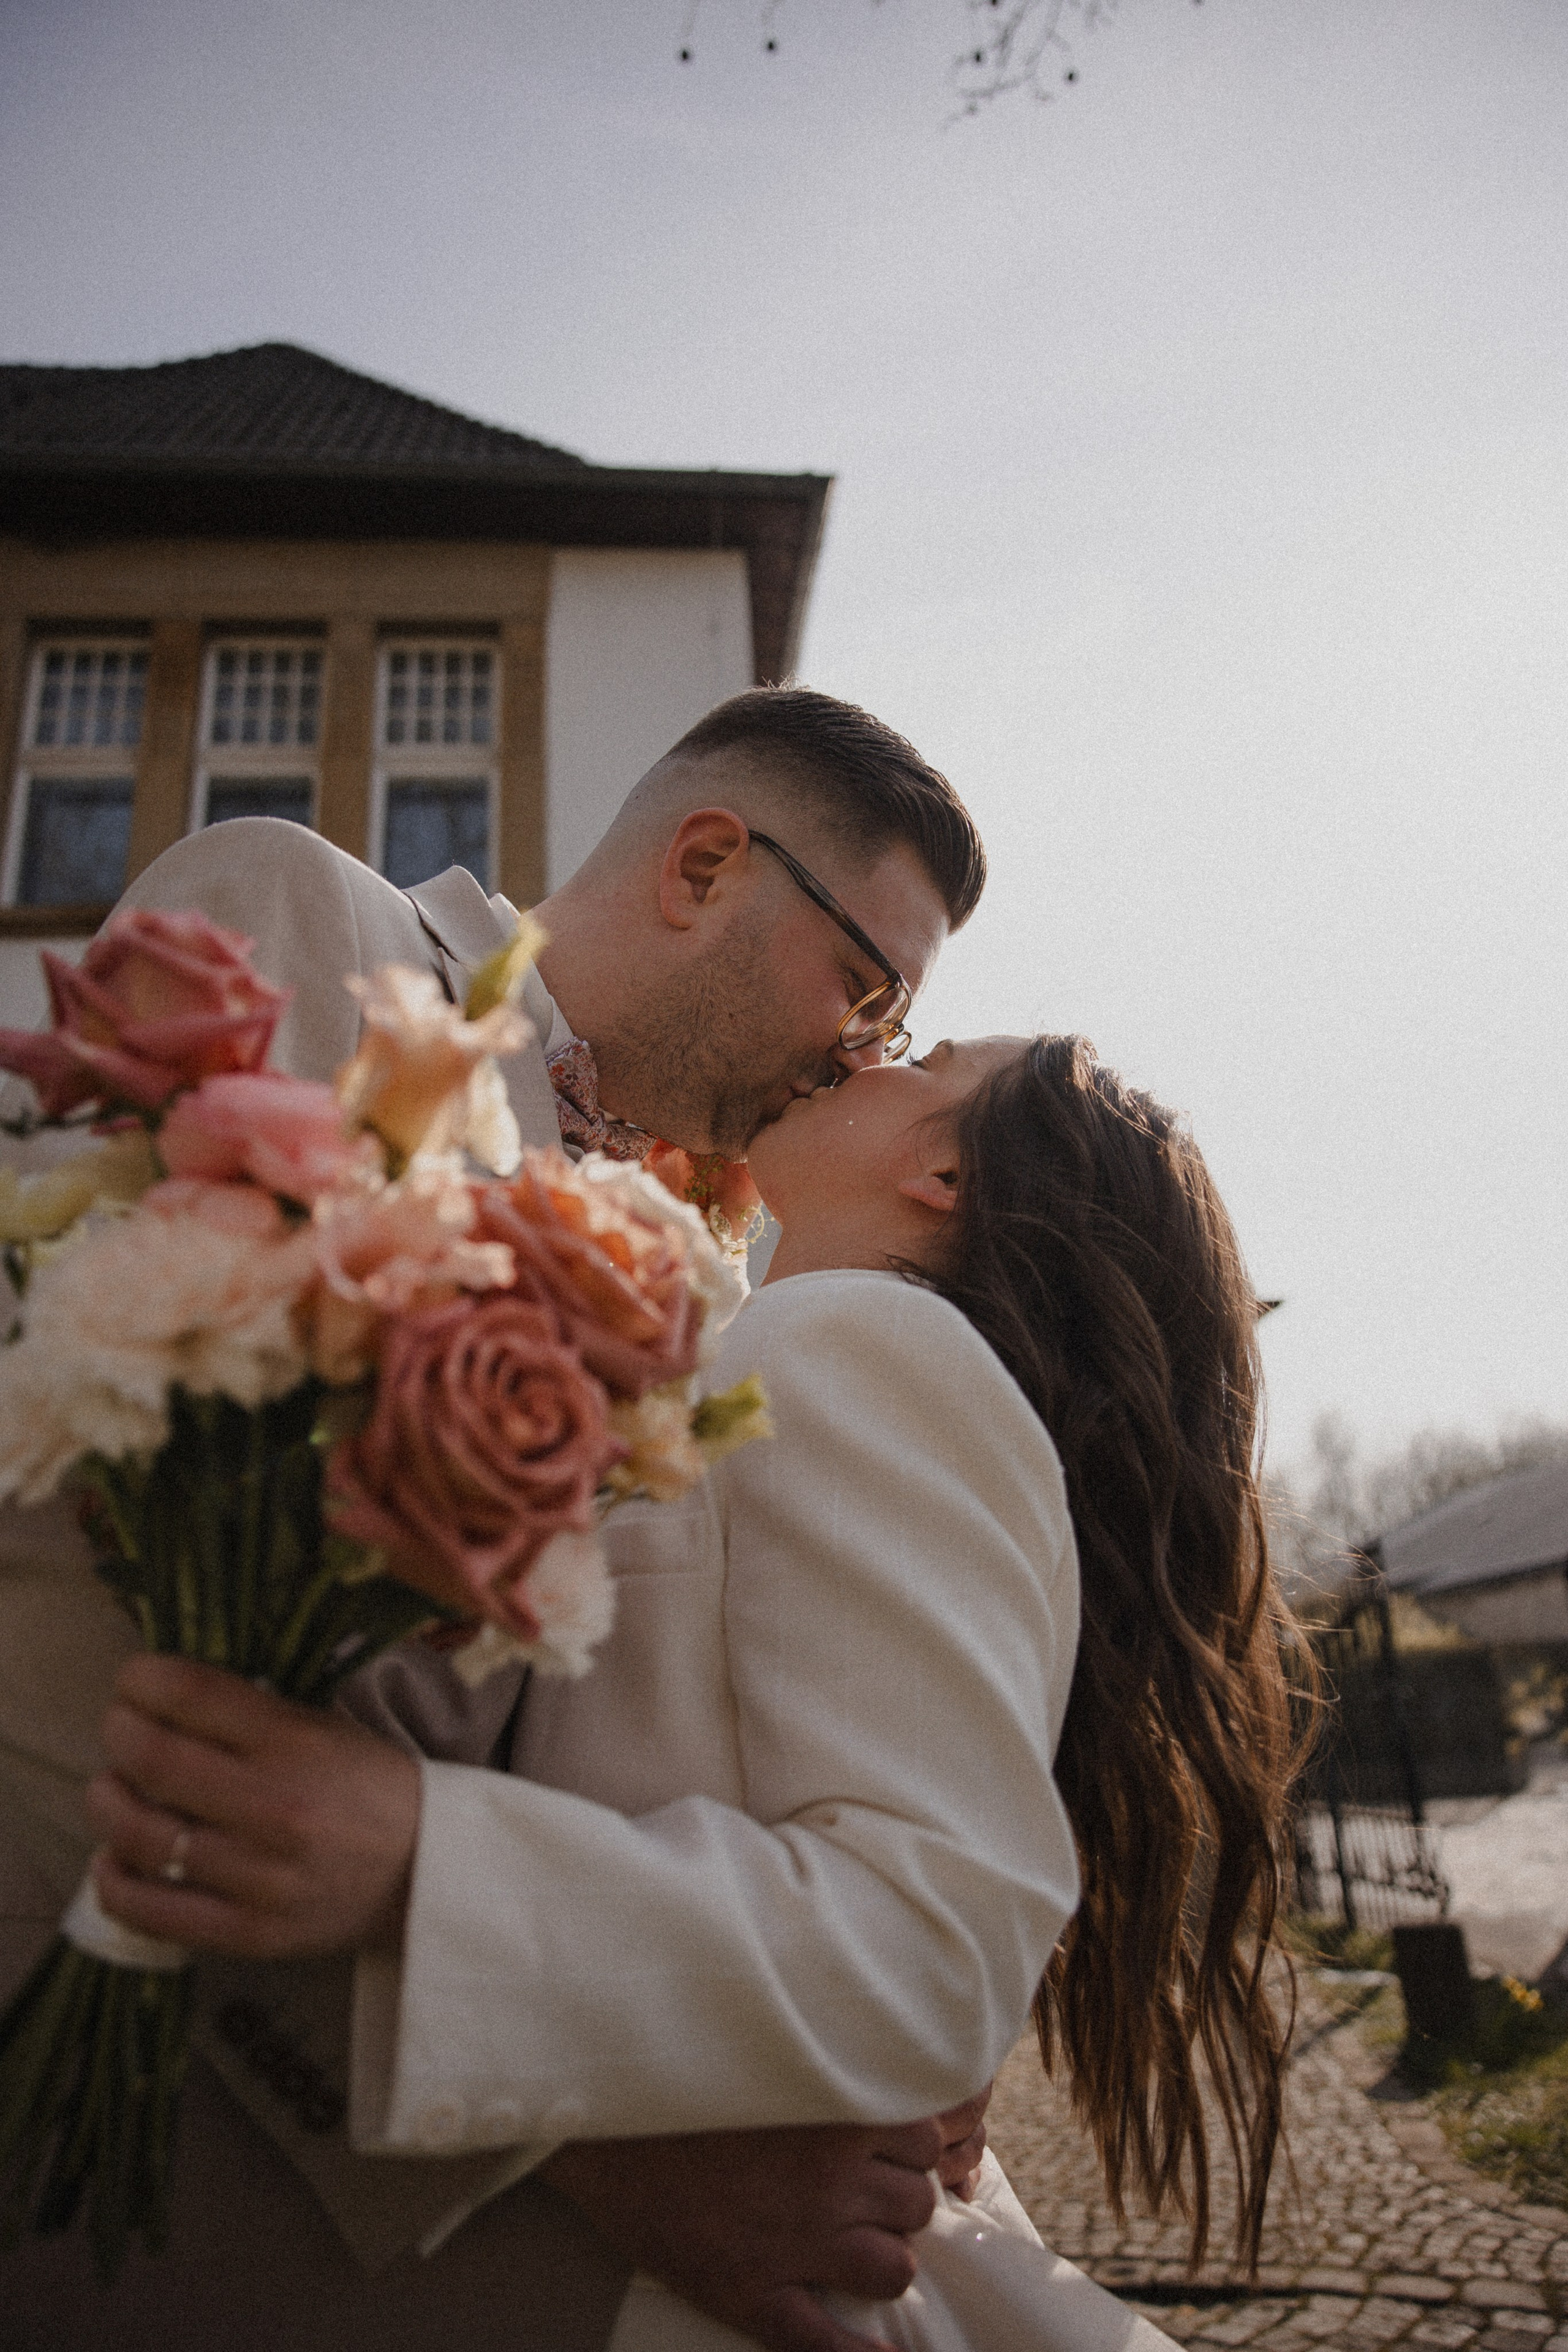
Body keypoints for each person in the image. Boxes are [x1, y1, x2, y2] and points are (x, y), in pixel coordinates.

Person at [0, 689, 1001, 2351]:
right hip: (141, 2110)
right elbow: (130, 1604)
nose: (866, 1055)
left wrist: (847, 2031)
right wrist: (583, 2146)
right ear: (702, 866)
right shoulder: (314, 926)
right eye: (869, 986)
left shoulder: (716, 1282)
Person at [83, 1032, 1302, 2351]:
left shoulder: (868, 1337)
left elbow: (933, 1941)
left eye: (927, 1056)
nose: (865, 1050)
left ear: (944, 1169)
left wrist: (421, 1860)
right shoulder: (774, 1349)